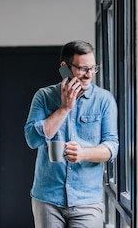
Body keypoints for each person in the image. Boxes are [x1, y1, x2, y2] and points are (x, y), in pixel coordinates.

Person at [24, 40, 119, 228]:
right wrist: (65, 108)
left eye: (93, 68)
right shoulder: (43, 97)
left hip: (87, 201)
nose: (89, 75)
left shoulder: (104, 100)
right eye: (83, 69)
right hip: (47, 199)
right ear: (65, 68)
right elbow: (32, 139)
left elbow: (111, 147)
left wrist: (83, 154)